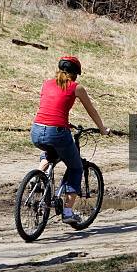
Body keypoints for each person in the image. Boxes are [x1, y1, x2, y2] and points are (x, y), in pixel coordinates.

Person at [31, 56, 109, 224]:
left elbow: (51, 107)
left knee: (49, 154)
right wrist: (102, 129)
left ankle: (37, 178)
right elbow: (92, 111)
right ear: (75, 74)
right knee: (75, 167)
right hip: (57, 132)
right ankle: (67, 212)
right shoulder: (76, 88)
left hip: (36, 130)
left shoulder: (46, 83)